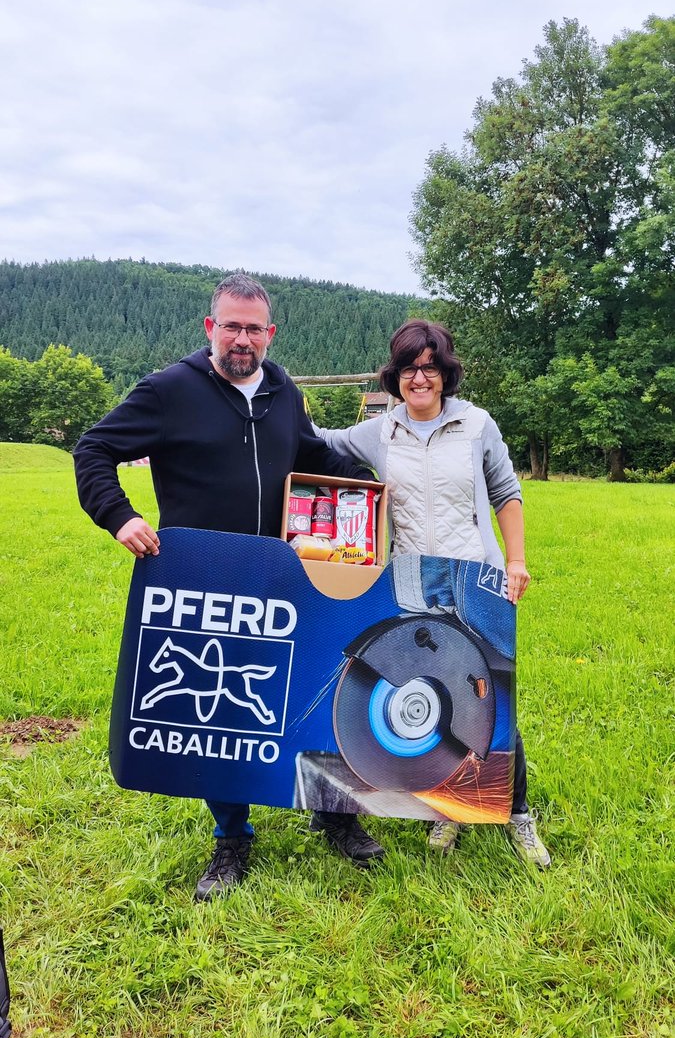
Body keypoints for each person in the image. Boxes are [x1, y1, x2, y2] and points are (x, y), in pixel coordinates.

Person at [74, 273, 385, 900]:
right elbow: (93, 449)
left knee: (314, 687)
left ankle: (335, 815)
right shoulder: (168, 390)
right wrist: (119, 516)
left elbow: (312, 455)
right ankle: (231, 838)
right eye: (231, 326)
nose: (242, 339)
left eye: (254, 329)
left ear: (270, 334)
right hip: (206, 579)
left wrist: (377, 482)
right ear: (210, 327)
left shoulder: (282, 389)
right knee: (220, 712)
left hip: (287, 573)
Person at [314, 318, 551, 868]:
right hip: (413, 582)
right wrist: (277, 399)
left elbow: (506, 492)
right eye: (409, 369)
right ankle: (449, 810)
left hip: (476, 580)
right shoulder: (380, 432)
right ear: (394, 376)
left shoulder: (476, 424)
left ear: (445, 373)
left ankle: (517, 814)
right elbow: (320, 441)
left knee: (494, 700)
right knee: (435, 692)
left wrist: (516, 561)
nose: (419, 378)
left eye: (430, 367)